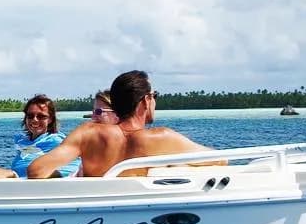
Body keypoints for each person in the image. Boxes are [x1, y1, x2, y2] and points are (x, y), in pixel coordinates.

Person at [27, 70, 219, 179]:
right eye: (154, 97)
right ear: (145, 100)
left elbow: (36, 170)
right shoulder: (162, 139)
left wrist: (66, 181)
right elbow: (219, 160)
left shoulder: (88, 134)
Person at [10, 94, 80, 178]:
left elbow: (74, 166)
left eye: (41, 116)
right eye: (30, 116)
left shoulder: (56, 141)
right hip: (18, 184)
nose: (34, 119)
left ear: (50, 119)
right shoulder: (22, 142)